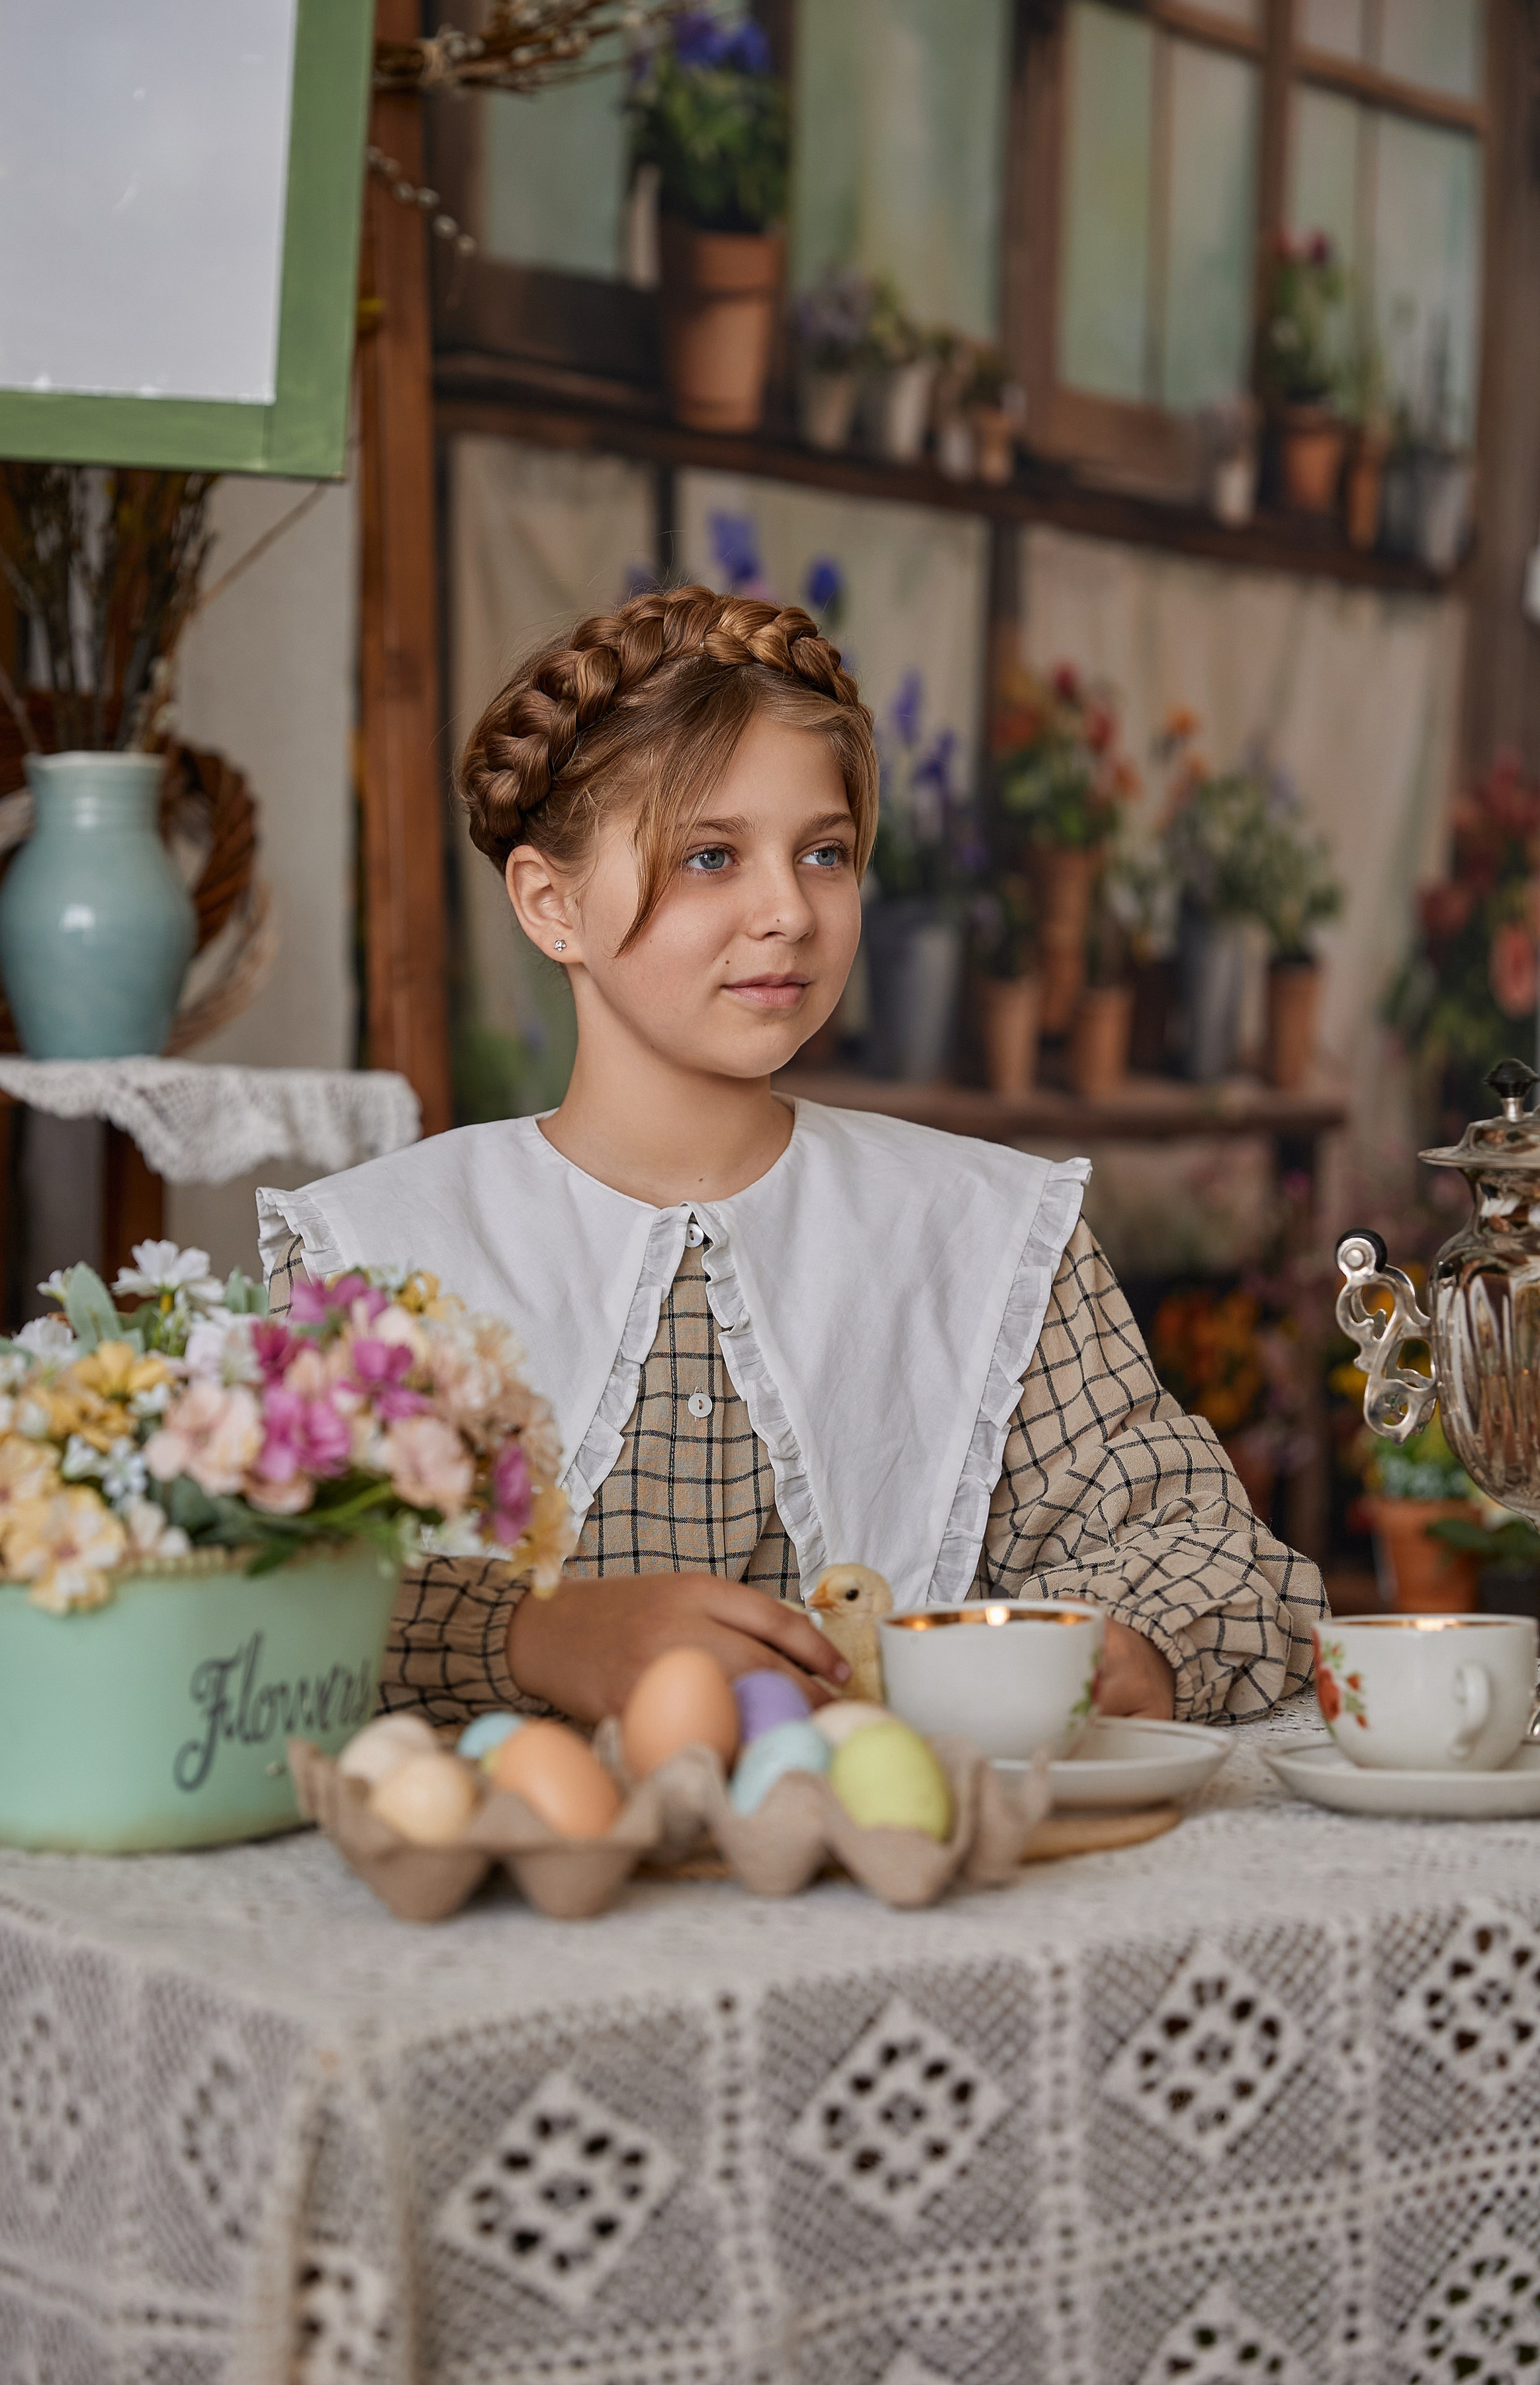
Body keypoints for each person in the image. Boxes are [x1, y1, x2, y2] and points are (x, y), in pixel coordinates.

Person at [260, 587, 1323, 1732]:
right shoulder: (371, 1258)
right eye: (712, 855)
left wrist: (1116, 1651)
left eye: (825, 853)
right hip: (511, 1889)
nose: (789, 912)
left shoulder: (989, 1233)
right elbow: (248, 1603)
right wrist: (532, 1634)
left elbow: (1207, 1550)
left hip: (913, 1883)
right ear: (550, 902)